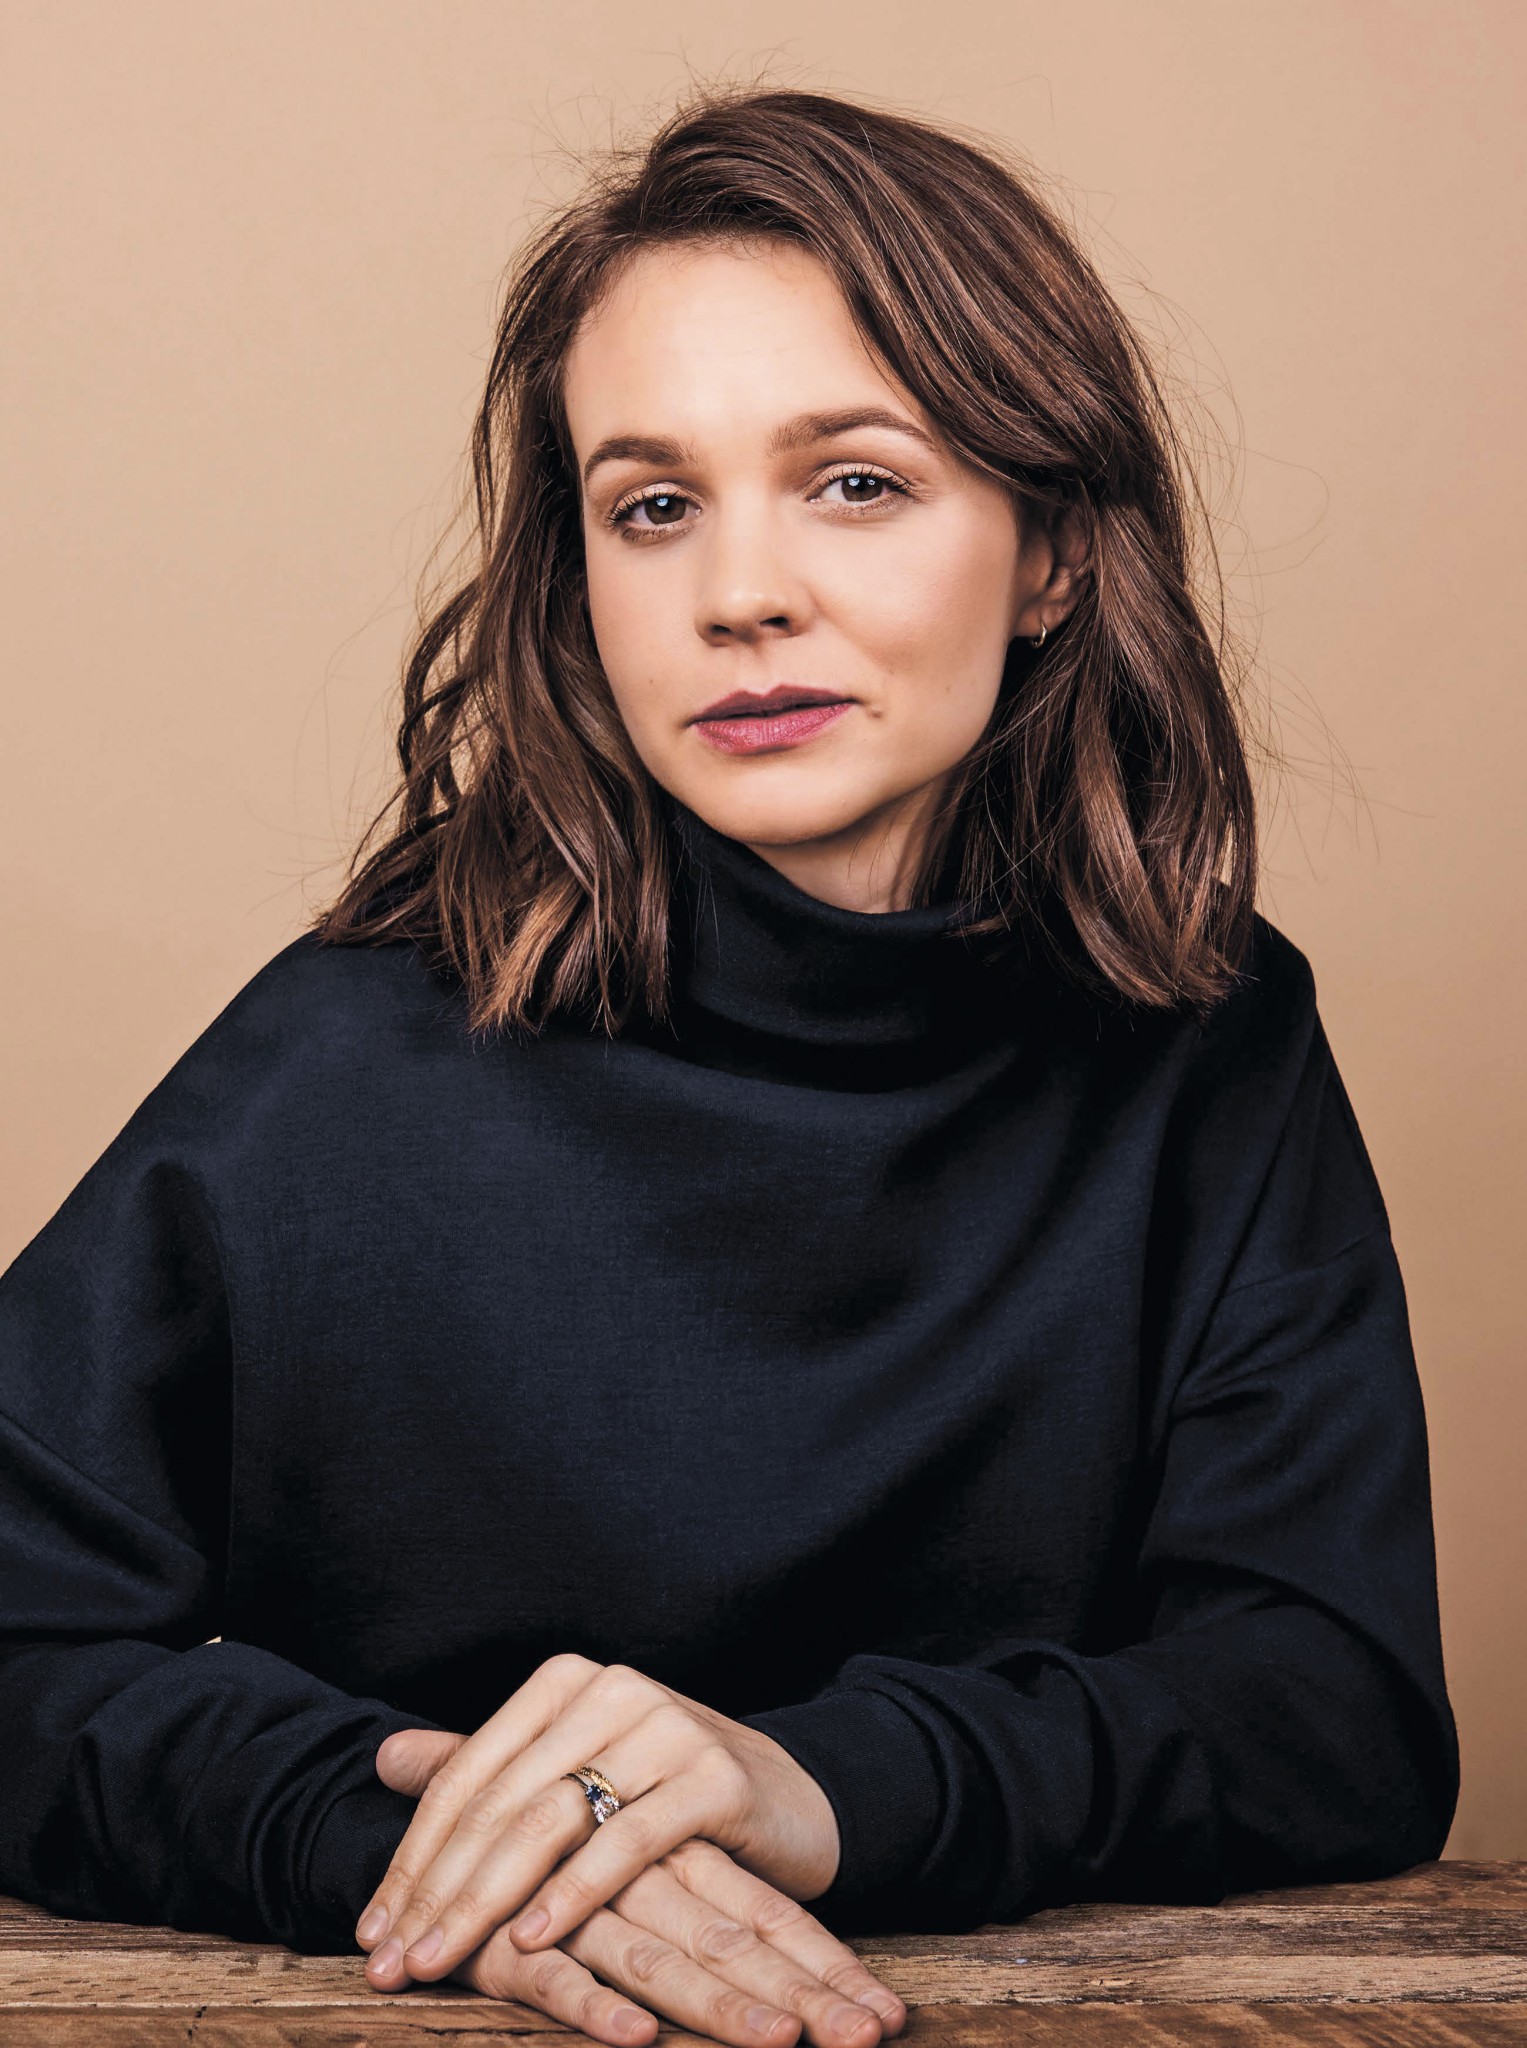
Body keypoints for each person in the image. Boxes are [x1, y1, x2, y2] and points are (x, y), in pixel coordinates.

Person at [0, 82, 1457, 2048]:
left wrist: (814, 1787)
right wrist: (424, 1837)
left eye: (853, 481)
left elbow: (1332, 1707)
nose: (738, 593)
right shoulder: (336, 1057)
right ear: (580, 582)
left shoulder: (1212, 1038)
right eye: (653, 504)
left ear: (1047, 552)